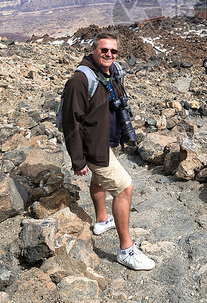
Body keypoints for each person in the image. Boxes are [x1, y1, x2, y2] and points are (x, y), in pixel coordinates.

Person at [60, 32, 155, 271]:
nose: (109, 55)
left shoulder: (111, 72)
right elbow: (72, 123)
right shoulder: (80, 81)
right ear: (93, 49)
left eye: (113, 51)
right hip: (94, 148)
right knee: (124, 189)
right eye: (104, 50)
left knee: (100, 181)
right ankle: (126, 250)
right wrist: (78, 160)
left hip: (107, 141)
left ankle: (101, 220)